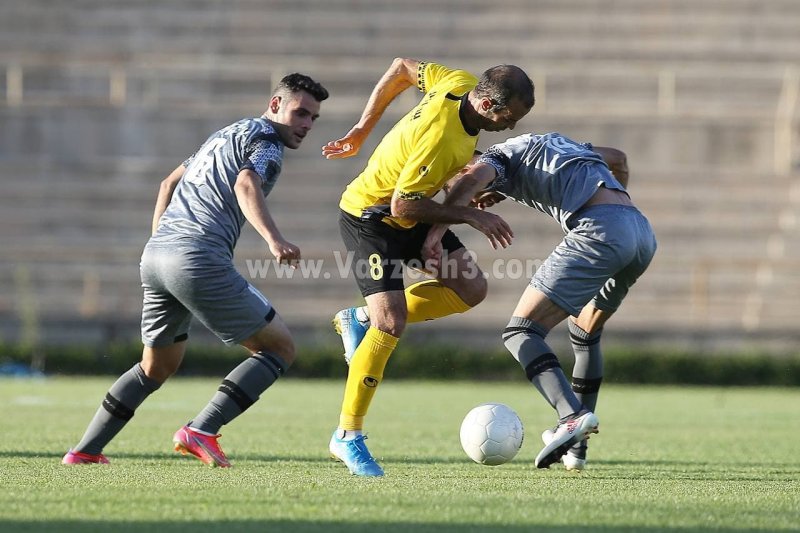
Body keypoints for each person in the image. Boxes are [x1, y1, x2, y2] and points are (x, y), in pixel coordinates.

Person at [62, 73, 329, 467]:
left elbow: (168, 183)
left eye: (313, 118)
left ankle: (85, 451)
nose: (306, 125)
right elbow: (245, 183)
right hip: (197, 258)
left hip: (156, 259)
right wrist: (274, 240)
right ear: (275, 105)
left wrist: (160, 241)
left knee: (156, 365)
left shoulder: (225, 134)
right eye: (300, 113)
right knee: (279, 347)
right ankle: (200, 430)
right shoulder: (267, 142)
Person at [321, 57, 534, 476]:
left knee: (470, 290)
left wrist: (364, 129)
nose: (511, 128)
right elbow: (403, 204)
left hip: (414, 212)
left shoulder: (460, 82)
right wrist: (473, 217)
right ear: (489, 105)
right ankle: (348, 436)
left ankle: (356, 318)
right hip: (373, 217)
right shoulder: (442, 136)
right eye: (510, 118)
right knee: (391, 323)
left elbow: (402, 67)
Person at [423, 131, 656, 470]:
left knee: (520, 332)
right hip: (639, 230)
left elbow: (473, 177)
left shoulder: (494, 159)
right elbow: (617, 158)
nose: (467, 200)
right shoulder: (550, 144)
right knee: (585, 333)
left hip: (600, 230)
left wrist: (436, 233)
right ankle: (577, 450)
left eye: (451, 187)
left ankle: (571, 417)